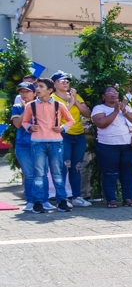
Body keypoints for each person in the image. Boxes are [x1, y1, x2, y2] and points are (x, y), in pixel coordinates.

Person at [23, 77, 72, 211]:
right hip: (37, 142)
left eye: (41, 87)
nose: (37, 89)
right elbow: (24, 121)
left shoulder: (58, 105)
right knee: (39, 173)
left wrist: (62, 128)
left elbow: (70, 120)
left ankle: (62, 201)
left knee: (57, 173)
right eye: (36, 86)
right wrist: (29, 127)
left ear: (50, 90)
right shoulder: (30, 105)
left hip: (56, 142)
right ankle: (37, 202)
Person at [91, 86, 132, 207]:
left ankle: (128, 199)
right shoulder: (99, 108)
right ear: (103, 96)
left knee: (127, 172)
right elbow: (101, 123)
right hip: (108, 145)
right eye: (110, 92)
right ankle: (111, 200)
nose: (113, 94)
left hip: (127, 145)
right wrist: (115, 111)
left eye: (115, 92)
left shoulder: (125, 108)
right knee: (110, 173)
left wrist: (124, 111)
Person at [50, 72, 91, 206]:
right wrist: (70, 103)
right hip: (63, 136)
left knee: (76, 167)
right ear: (54, 83)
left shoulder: (76, 96)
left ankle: (76, 197)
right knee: (63, 167)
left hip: (79, 136)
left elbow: (87, 113)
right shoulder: (52, 98)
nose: (65, 83)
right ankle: (61, 198)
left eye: (67, 81)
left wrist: (75, 101)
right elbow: (54, 117)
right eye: (62, 81)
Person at [11, 82, 41, 212]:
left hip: (40, 144)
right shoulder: (17, 107)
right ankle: (30, 201)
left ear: (35, 93)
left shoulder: (41, 106)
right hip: (23, 145)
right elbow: (17, 124)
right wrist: (26, 109)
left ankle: (42, 200)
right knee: (29, 174)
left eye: (27, 91)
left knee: (41, 174)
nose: (24, 94)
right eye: (22, 92)